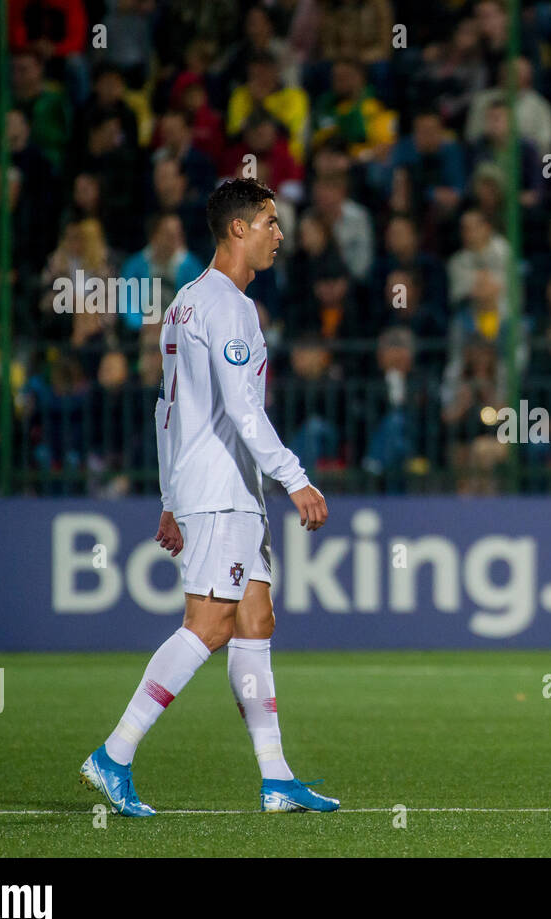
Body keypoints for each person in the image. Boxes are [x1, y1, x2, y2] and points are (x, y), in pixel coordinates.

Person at [80, 179, 336, 817]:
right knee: (211, 623)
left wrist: (169, 496)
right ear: (238, 229)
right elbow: (243, 411)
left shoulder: (185, 303)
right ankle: (114, 754)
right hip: (222, 492)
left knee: (254, 622)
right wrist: (295, 476)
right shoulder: (228, 306)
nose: (281, 234)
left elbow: (166, 408)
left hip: (217, 491)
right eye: (271, 222)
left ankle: (276, 779)